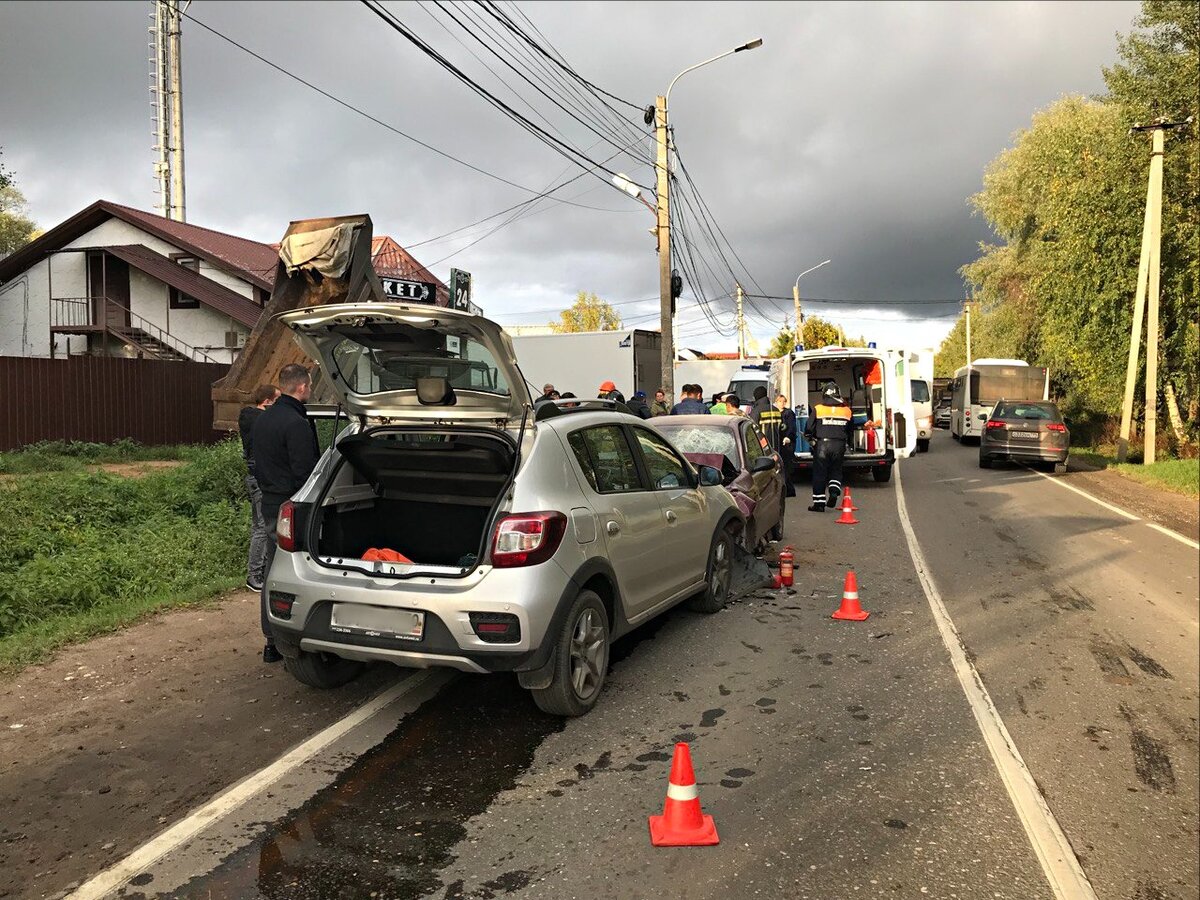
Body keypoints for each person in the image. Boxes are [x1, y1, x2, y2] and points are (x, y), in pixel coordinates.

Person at [252, 364, 320, 663]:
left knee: (272, 570)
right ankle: (305, 633)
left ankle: (271, 641)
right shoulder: (296, 423)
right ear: (303, 387)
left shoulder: (263, 420)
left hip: (268, 503)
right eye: (309, 386)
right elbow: (306, 474)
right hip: (291, 508)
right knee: (302, 571)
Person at [238, 383, 279, 592]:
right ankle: (254, 575)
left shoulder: (249, 418)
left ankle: (258, 572)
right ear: (268, 401)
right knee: (263, 528)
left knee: (258, 527)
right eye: (277, 400)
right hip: (260, 478)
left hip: (253, 477)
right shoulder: (259, 419)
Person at [803, 381, 852, 512]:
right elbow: (850, 430)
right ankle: (834, 491)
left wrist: (809, 436)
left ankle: (819, 504)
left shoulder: (818, 408)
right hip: (839, 444)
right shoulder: (847, 410)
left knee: (820, 473)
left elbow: (808, 427)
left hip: (822, 444)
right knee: (836, 469)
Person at [776, 394, 798, 497]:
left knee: (786, 466)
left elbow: (792, 427)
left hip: (787, 444)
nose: (782, 403)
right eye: (780, 401)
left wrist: (789, 437)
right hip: (778, 442)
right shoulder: (775, 413)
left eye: (784, 401)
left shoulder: (789, 413)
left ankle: (789, 490)